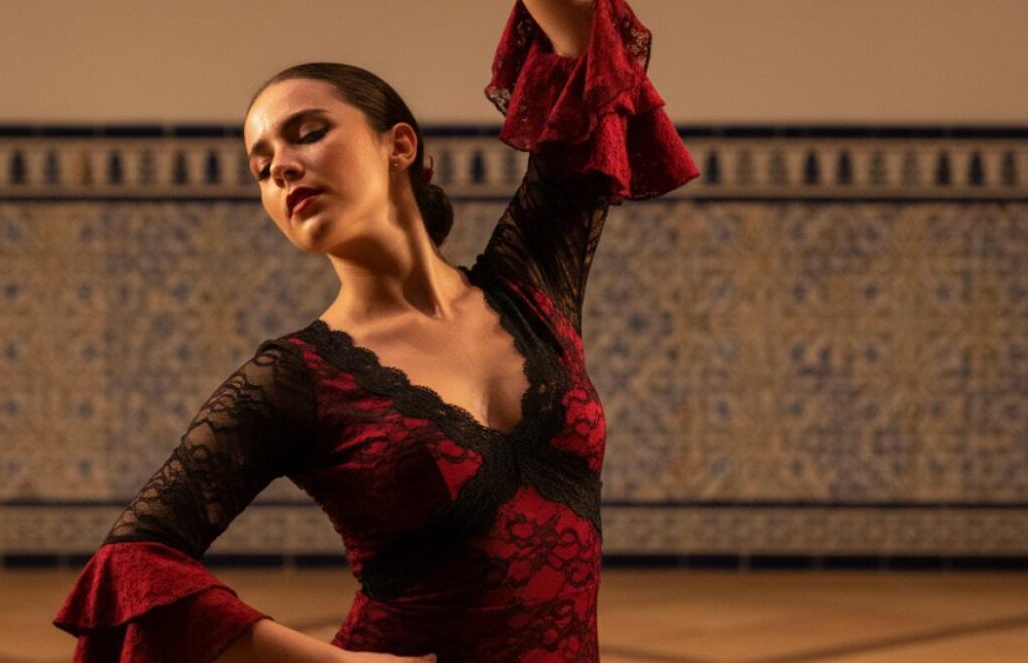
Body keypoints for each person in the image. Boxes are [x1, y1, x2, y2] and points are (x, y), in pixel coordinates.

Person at [52, 0, 699, 661]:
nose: (279, 167)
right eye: (260, 164)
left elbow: (589, 51)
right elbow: (130, 560)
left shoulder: (533, 285)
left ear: (399, 144)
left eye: (306, 133)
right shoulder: (292, 378)